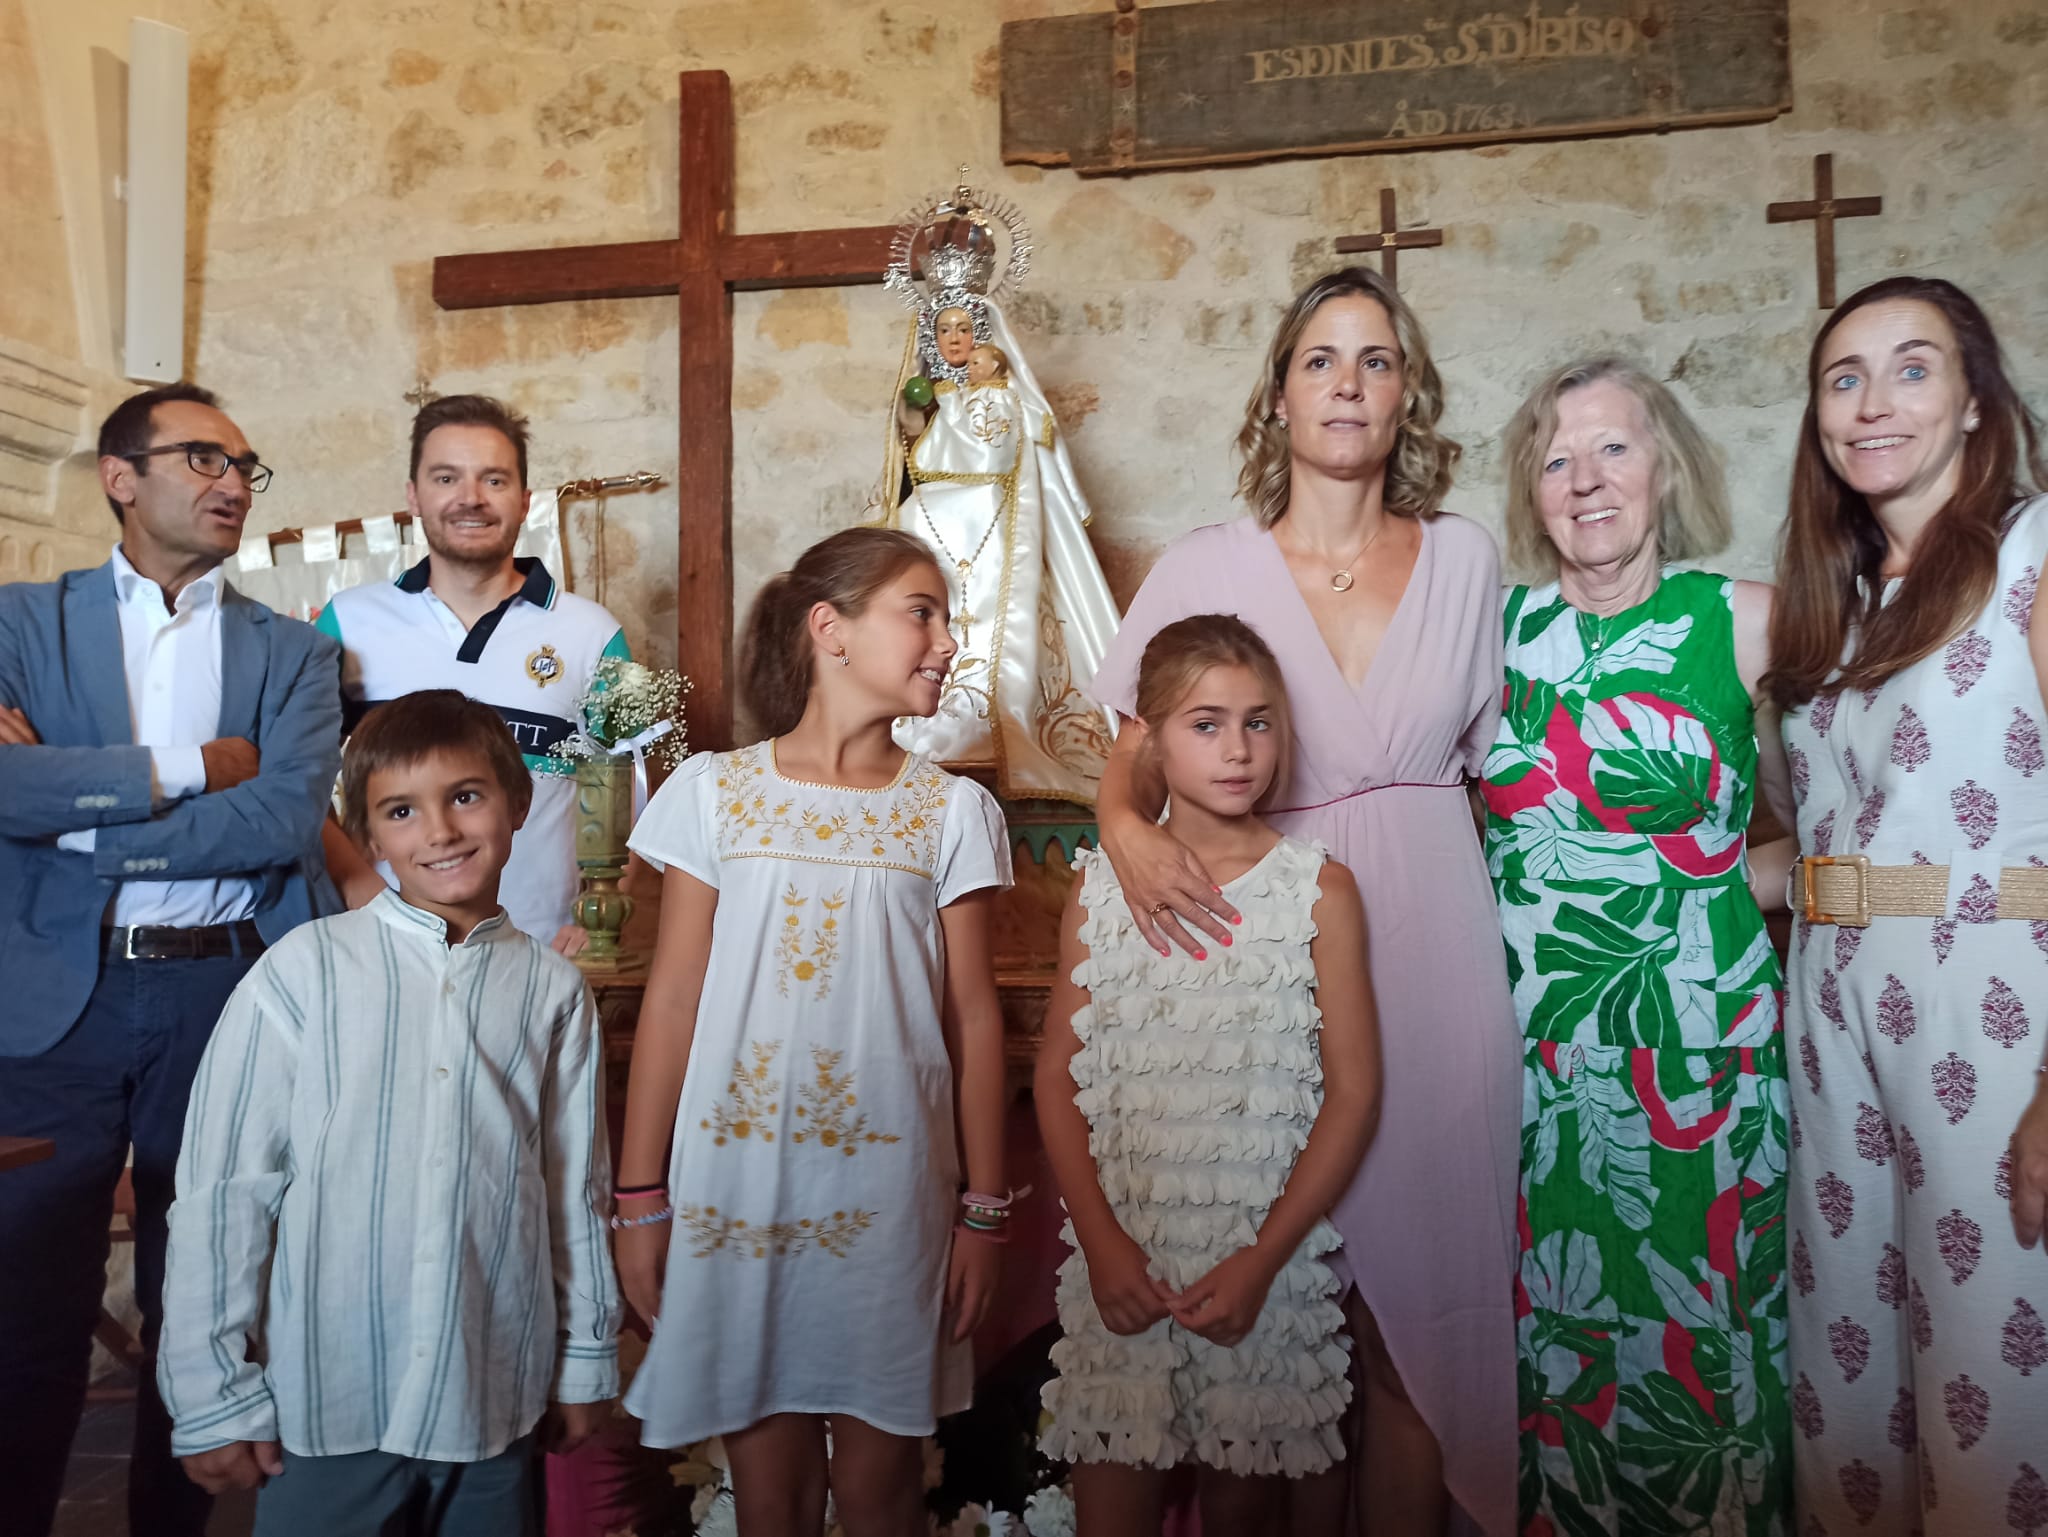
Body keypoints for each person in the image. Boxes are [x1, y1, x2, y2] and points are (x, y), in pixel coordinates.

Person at [1088, 266, 1519, 1536]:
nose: (1347, 383)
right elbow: (1127, 749)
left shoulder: (1464, 558)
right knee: (1283, 1328)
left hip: (1437, 944)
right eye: (1320, 360)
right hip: (1264, 945)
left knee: (1415, 1328)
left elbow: (1507, 774)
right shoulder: (1206, 562)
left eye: (1375, 361)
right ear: (1277, 397)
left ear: (1407, 398)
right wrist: (1121, 826)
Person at [613, 528, 1013, 1533]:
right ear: (828, 628)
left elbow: (973, 1019)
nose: (945, 640)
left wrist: (983, 1207)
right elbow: (670, 1002)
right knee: (771, 1497)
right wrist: (638, 1197)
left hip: (890, 1199)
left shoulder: (952, 812)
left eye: (945, 617)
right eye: (920, 610)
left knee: (882, 1494)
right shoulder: (712, 793)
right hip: (737, 1189)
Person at [0, 382, 341, 1537]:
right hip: (56, 1000)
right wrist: (193, 769)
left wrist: (76, 813)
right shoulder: (17, 626)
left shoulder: (291, 654)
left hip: (222, 992)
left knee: (196, 1306)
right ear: (119, 475)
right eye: (202, 457)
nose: (233, 482)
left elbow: (284, 821)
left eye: (246, 465)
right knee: (22, 1311)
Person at [157, 690, 619, 1534]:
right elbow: (227, 1191)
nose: (439, 830)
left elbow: (573, 1189)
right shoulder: (304, 973)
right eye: (402, 811)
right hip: (332, 1401)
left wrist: (585, 1355)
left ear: (518, 804)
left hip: (491, 1394)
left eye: (466, 796)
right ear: (370, 839)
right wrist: (211, 1387)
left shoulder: (552, 992)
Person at [1483, 357, 1795, 1536]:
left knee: (1706, 1350)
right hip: (1533, 1068)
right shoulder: (1495, 637)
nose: (1584, 479)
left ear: (1665, 466)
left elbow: (1857, 803)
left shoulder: (1747, 619)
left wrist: (1720, 879)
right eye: (1555, 458)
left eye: (1611, 447)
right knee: (1552, 1361)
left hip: (1702, 1066)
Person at [1769, 276, 2048, 1536]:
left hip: (1986, 1004)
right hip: (1827, 1007)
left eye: (1910, 367)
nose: (1872, 401)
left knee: (1990, 1365)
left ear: (1976, 402)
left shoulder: (2034, 553)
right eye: (1843, 377)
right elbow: (1823, 843)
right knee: (1848, 1381)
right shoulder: (1835, 600)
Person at [1036, 614, 1381, 1535]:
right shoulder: (1100, 885)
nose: (1239, 749)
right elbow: (1056, 1081)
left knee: (1245, 1500)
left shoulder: (1319, 890)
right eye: (1207, 723)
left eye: (1259, 722)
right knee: (1112, 1487)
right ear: (1147, 737)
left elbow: (1353, 1093)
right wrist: (1103, 1245)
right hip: (1127, 1253)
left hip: (1261, 1266)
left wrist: (1263, 1260)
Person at [316, 394, 631, 952]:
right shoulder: (349, 620)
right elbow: (298, 783)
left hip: (541, 951)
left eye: (494, 480)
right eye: (445, 478)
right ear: (413, 495)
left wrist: (595, 928)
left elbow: (634, 804)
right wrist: (361, 887)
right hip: (382, 945)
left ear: (525, 499)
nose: (470, 499)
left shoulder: (592, 633)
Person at [873, 180, 1121, 804]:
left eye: (966, 329)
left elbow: (1014, 449)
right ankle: (912, 719)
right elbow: (906, 454)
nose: (956, 340)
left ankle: (996, 722)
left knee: (993, 611)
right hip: (927, 516)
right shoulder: (926, 393)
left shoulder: (1005, 398)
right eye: (945, 330)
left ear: (983, 334)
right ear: (932, 337)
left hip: (989, 515)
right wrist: (914, 415)